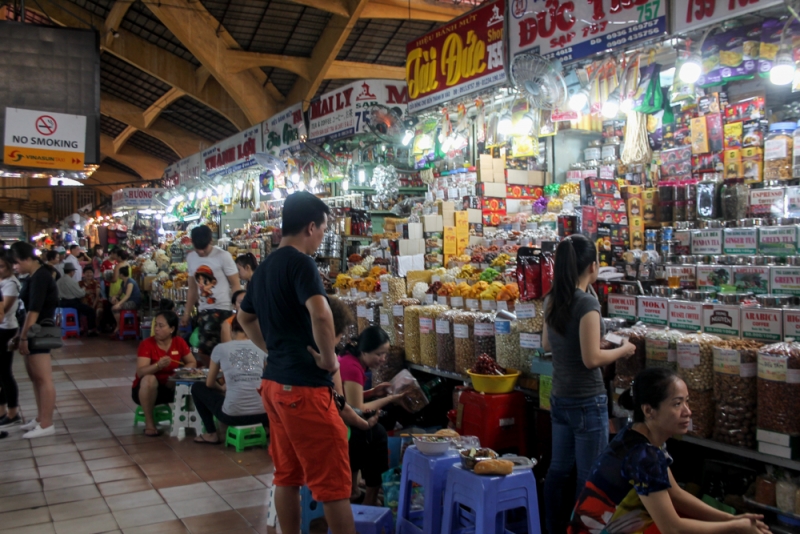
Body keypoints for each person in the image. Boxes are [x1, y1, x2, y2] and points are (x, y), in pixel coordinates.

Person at [238, 191, 356, 534]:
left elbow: (244, 320)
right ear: (310, 227)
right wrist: (330, 360)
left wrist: (273, 349)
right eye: (323, 229)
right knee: (334, 487)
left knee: (287, 476)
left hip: (274, 386)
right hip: (304, 391)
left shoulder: (264, 269)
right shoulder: (301, 263)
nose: (322, 236)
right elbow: (321, 314)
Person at [570, 368, 771, 534]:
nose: (688, 412)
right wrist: (735, 527)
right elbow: (672, 528)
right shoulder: (643, 456)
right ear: (649, 410)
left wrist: (732, 517)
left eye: (687, 401)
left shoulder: (637, 436)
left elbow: (675, 494)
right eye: (677, 404)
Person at [541, 234, 637, 534]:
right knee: (590, 478)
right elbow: (592, 359)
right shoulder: (586, 305)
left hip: (559, 397)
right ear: (593, 267)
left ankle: (554, 528)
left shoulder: (554, 298)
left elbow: (546, 342)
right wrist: (624, 348)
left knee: (558, 469)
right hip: (586, 400)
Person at [338, 326, 405, 506]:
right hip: (341, 425)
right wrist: (390, 399)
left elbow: (349, 397)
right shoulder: (352, 367)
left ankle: (365, 487)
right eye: (378, 354)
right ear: (364, 350)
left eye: (385, 354)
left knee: (377, 430)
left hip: (342, 416)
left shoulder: (352, 361)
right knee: (378, 434)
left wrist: (374, 392)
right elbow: (357, 407)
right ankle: (370, 495)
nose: (382, 359)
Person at [191, 316, 269, 444]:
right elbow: (268, 378)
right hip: (263, 416)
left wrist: (221, 388)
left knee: (197, 387)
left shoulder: (221, 349)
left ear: (232, 329)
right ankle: (267, 429)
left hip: (232, 417)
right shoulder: (262, 348)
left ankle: (211, 434)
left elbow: (210, 384)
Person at [11, 242, 59, 439]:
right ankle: (40, 418)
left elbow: (34, 310)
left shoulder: (41, 277)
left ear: (27, 259)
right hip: (30, 329)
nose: (15, 267)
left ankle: (47, 423)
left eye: (16, 263)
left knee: (43, 378)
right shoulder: (33, 277)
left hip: (38, 331)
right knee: (35, 378)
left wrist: (24, 336)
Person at [182, 225, 241, 366]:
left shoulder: (223, 256)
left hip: (222, 309)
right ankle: (216, 378)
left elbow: (235, 284)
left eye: (205, 248)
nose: (201, 252)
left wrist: (239, 310)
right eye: (198, 248)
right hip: (203, 310)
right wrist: (186, 313)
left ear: (211, 241)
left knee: (212, 349)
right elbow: (192, 289)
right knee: (207, 349)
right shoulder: (191, 258)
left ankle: (217, 377)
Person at [132, 310, 196, 436]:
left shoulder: (179, 342)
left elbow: (191, 362)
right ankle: (150, 424)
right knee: (149, 379)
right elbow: (141, 372)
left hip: (170, 387)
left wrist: (176, 377)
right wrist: (157, 366)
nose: (156, 329)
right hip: (145, 390)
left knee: (194, 381)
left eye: (161, 326)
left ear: (172, 328)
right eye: (156, 325)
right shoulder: (147, 344)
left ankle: (191, 421)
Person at [0, 250, 21, 428]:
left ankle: (12, 411)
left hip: (6, 329)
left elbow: (3, 310)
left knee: (5, 373)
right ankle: (2, 411)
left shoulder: (11, 284)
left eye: (2, 266)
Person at [57, 263, 99, 336]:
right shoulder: (71, 281)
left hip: (61, 302)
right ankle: (90, 330)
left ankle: (79, 328)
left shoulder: (59, 281)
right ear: (71, 272)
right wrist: (84, 290)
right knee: (90, 311)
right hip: (71, 302)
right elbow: (80, 294)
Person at [111, 266, 142, 336]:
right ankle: (120, 324)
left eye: (119, 273)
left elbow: (127, 296)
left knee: (114, 308)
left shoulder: (130, 282)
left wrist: (118, 304)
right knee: (113, 302)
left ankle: (119, 326)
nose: (118, 275)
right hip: (128, 301)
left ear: (121, 274)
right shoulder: (123, 282)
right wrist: (114, 297)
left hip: (134, 303)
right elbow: (119, 294)